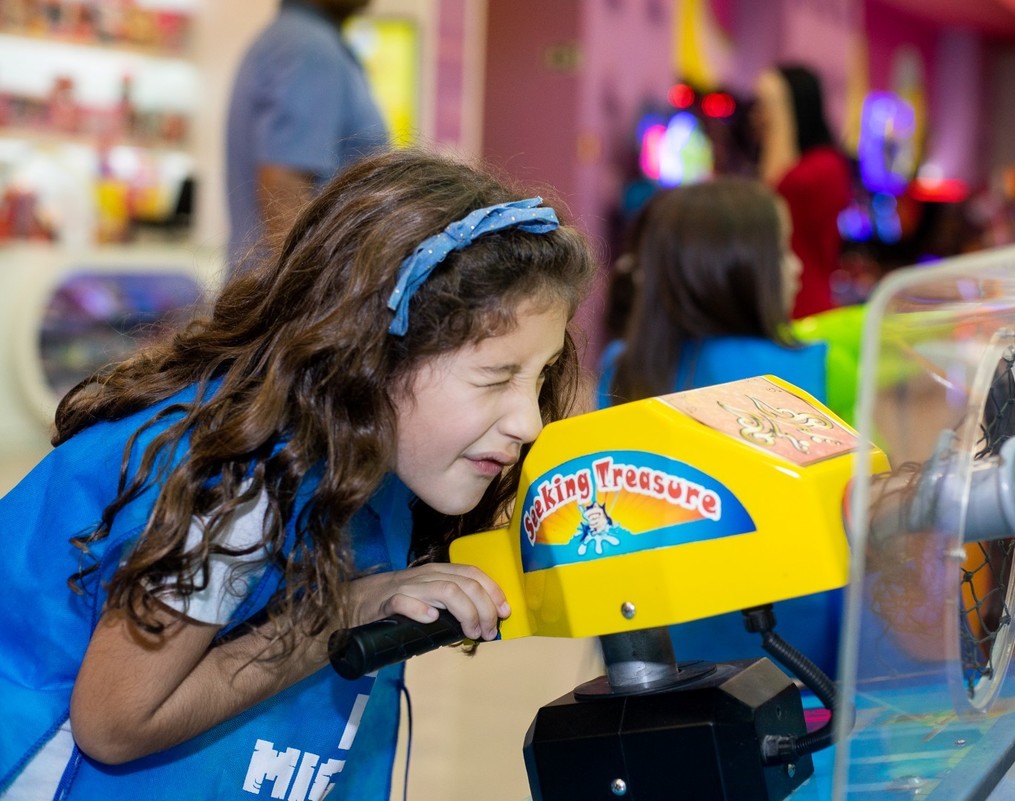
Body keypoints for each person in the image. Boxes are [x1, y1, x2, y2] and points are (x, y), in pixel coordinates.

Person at [0, 149, 595, 799]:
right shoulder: (236, 483)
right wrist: (345, 609)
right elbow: (114, 722)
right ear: (369, 353)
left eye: (538, 379)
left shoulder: (368, 458)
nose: (529, 421)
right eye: (496, 377)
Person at [595, 177, 841, 675]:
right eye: (781, 251)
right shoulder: (817, 369)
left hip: (662, 668)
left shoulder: (621, 370)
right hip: (806, 669)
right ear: (735, 269)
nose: (795, 268)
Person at [225, 0, 390, 276]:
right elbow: (284, 189)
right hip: (301, 309)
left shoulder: (292, 39)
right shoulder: (310, 48)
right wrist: (320, 302)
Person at [754, 63, 853, 319]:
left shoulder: (819, 169)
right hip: (786, 300)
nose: (758, 116)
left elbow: (772, 196)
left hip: (803, 305)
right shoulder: (812, 165)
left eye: (767, 106)